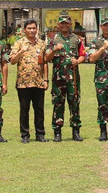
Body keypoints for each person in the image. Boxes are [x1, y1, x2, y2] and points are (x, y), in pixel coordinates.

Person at [45, 12, 86, 142]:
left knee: (74, 102)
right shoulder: (53, 39)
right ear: (58, 24)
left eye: (66, 23)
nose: (64, 25)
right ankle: (57, 132)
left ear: (70, 24)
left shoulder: (77, 39)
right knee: (58, 104)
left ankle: (76, 131)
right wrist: (54, 50)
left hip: (73, 78)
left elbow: (83, 55)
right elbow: (47, 58)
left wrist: (77, 61)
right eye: (62, 23)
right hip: (58, 78)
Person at [10, 19, 49, 143]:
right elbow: (12, 61)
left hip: (38, 81)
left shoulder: (42, 44)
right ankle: (25, 135)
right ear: (24, 30)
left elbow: (45, 62)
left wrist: (46, 79)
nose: (32, 30)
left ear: (37, 29)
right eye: (29, 28)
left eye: (34, 28)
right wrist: (21, 51)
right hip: (23, 83)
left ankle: (40, 134)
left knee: (39, 109)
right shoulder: (19, 43)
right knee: (24, 110)